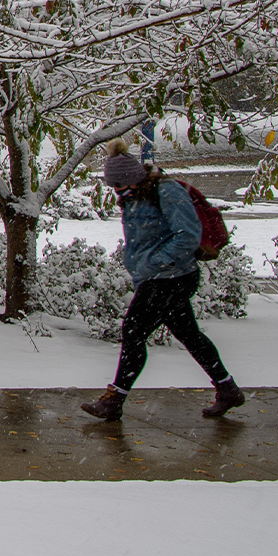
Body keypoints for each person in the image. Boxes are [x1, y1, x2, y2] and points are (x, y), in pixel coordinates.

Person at [81, 140, 245, 420]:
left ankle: (115, 399)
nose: (116, 191)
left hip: (172, 277)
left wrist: (152, 263)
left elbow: (188, 235)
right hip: (157, 278)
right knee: (189, 334)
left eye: (118, 185)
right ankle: (227, 388)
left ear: (132, 178)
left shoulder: (166, 191)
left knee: (133, 331)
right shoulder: (134, 198)